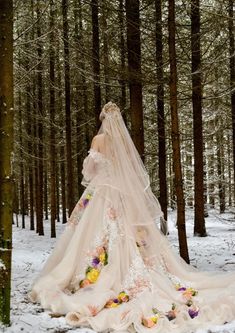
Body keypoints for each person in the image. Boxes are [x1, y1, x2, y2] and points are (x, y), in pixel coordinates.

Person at [29, 102, 235, 333]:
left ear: (104, 120)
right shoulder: (124, 145)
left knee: (93, 235)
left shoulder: (99, 141)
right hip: (123, 195)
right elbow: (130, 172)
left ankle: (94, 274)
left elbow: (89, 171)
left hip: (103, 193)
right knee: (124, 233)